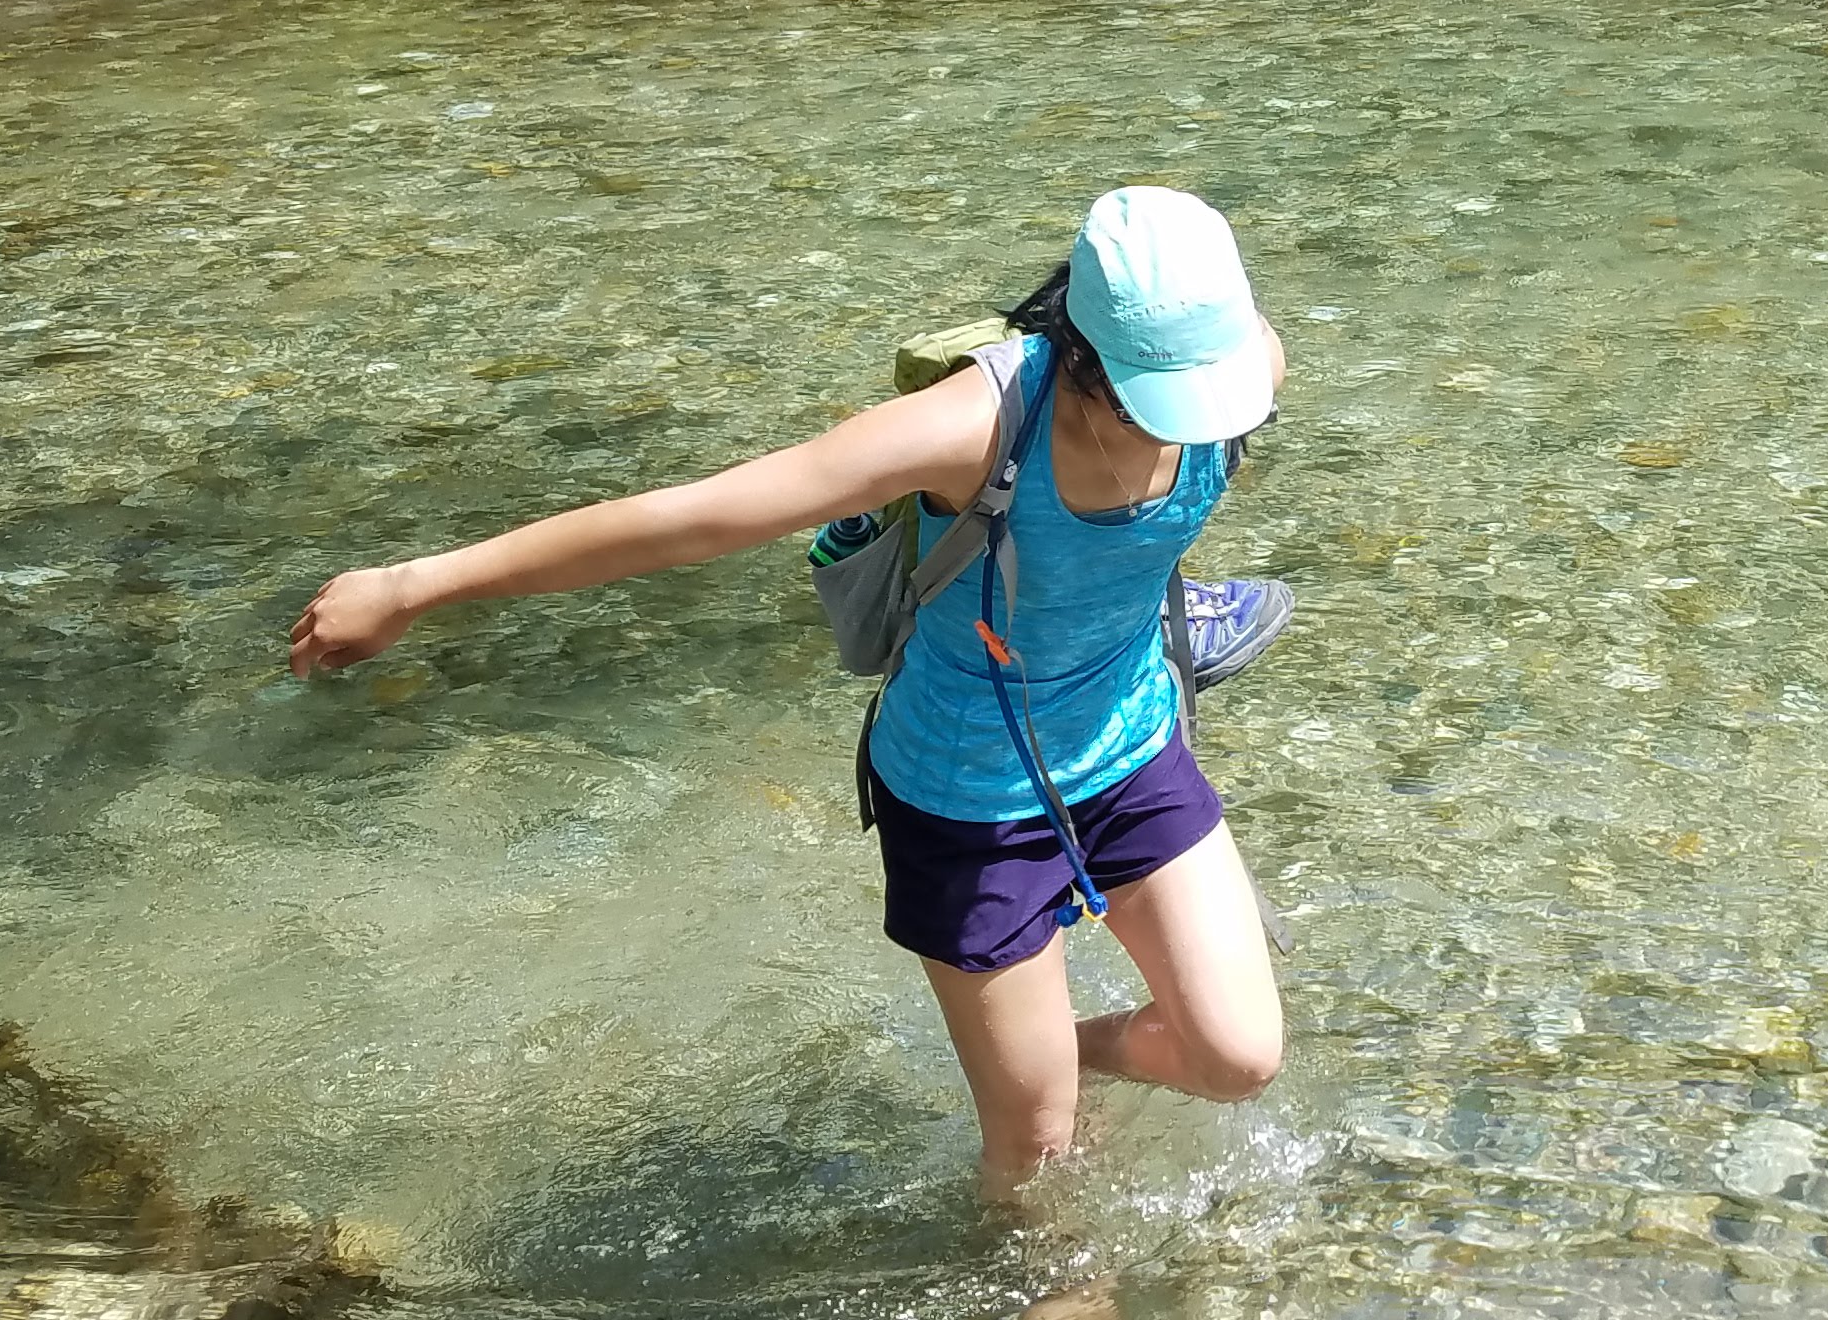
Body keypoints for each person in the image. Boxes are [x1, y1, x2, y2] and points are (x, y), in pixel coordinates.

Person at [289, 185, 1291, 1198]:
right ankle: (1029, 1287)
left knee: (1236, 1057)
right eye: (1156, 392)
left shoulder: (1247, 366)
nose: (1195, 418)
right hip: (970, 798)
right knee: (1032, 1155)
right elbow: (691, 519)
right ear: (1083, 346)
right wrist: (414, 585)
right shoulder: (973, 426)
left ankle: (1051, 1056)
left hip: (1130, 748)